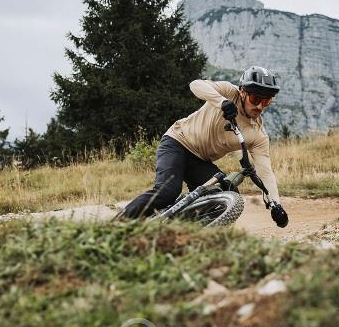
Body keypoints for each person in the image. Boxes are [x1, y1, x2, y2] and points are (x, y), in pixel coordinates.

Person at [121, 66, 288, 227]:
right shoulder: (229, 92)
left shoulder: (257, 133)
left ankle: (185, 230)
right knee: (167, 192)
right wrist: (222, 102)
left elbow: (265, 172)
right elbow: (195, 85)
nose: (259, 106)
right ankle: (116, 225)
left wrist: (276, 204)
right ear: (242, 92)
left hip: (199, 161)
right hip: (177, 142)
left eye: (265, 101)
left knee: (227, 192)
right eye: (256, 99)